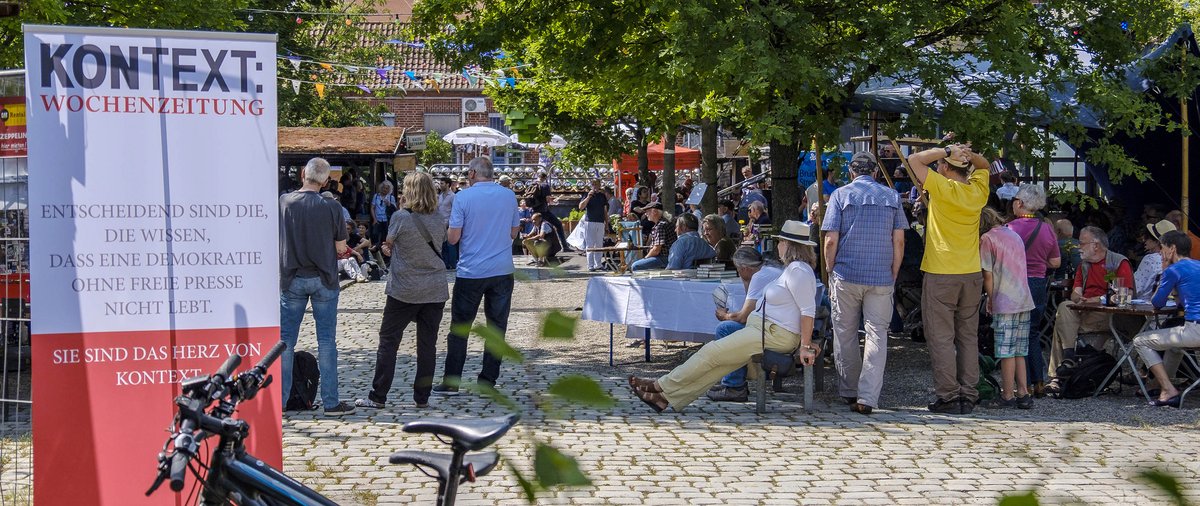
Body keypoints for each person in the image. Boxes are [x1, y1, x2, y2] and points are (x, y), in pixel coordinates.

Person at [628, 221, 820, 412]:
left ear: (789, 245)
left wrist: (804, 345)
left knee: (710, 353)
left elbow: (807, 311)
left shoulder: (798, 271)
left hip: (773, 333)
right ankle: (664, 399)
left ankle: (661, 386)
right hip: (766, 330)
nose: (778, 246)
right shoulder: (795, 270)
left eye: (780, 242)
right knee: (720, 364)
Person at [907, 143, 991, 414]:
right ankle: (969, 393)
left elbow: (913, 159)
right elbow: (985, 165)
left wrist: (946, 150)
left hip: (942, 271)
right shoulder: (978, 190)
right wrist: (968, 155)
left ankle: (948, 396)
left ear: (944, 168)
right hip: (971, 272)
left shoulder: (942, 188)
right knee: (967, 336)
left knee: (941, 337)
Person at [821, 152, 907, 415]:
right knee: (877, 334)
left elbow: (830, 239)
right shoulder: (892, 197)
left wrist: (829, 267)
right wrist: (894, 270)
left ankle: (849, 390)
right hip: (880, 275)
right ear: (876, 172)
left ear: (850, 171)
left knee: (845, 333)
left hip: (846, 274)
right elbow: (899, 240)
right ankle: (868, 396)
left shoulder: (840, 195)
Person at [357, 172, 448, 409]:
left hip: (404, 289)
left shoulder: (400, 216)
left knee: (389, 342)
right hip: (434, 289)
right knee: (427, 346)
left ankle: (378, 396)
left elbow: (389, 242)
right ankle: (422, 397)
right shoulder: (439, 218)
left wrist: (389, 249)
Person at [435, 157, 522, 394]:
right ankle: (487, 380)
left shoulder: (463, 197)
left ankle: (452, 380)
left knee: (460, 328)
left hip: (471, 271)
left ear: (473, 173)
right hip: (502, 269)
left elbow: (453, 238)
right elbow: (514, 232)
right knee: (496, 328)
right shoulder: (508, 196)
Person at [279, 157, 355, 415]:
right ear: (325, 181)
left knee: (285, 342)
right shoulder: (331, 206)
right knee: (327, 342)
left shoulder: (285, 202)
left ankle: (281, 400)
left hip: (292, 277)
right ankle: (331, 402)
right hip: (324, 279)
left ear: (303, 174)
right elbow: (341, 247)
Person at [1045, 226, 1136, 394]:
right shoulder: (1084, 266)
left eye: (1082, 243)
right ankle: (1069, 359)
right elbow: (1076, 293)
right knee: (1064, 307)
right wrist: (1078, 298)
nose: (1079, 247)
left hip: (1108, 315)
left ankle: (1058, 376)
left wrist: (1096, 300)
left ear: (1095, 245)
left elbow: (1126, 294)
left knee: (1061, 325)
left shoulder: (1118, 262)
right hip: (1084, 313)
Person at [706, 247, 784, 401]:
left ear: (745, 268)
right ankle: (730, 382)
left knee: (725, 328)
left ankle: (734, 385)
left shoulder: (759, 277)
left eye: (738, 270)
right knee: (730, 327)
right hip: (778, 324)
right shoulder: (771, 270)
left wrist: (725, 316)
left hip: (771, 329)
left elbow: (743, 317)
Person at [1132, 230, 1200, 407]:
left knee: (1140, 341)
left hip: (1195, 329)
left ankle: (1168, 389)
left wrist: (1164, 271)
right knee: (1174, 346)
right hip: (1194, 327)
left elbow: (1156, 302)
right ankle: (1159, 385)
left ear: (1172, 249)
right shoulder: (1197, 265)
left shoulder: (1173, 270)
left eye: (1162, 248)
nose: (1160, 253)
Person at [1006, 184, 1061, 397]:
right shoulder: (1046, 228)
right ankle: (1038, 381)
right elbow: (1055, 262)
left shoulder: (1011, 229)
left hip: (1015, 282)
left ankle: (1023, 384)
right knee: (1033, 333)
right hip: (1038, 283)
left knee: (1016, 333)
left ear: (1020, 203)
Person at [980, 207, 1035, 409]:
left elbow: (988, 275)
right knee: (1021, 350)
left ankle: (1007, 394)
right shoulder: (1013, 234)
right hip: (1024, 297)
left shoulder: (987, 239)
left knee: (1005, 351)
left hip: (1005, 299)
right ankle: (1023, 392)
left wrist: (990, 298)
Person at [630, 202, 676, 271]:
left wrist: (645, 258)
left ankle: (645, 282)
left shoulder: (660, 225)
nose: (645, 214)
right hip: (670, 257)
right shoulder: (663, 222)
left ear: (654, 211)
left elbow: (656, 250)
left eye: (647, 211)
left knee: (635, 266)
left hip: (665, 258)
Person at [531, 171, 570, 251]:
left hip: (534, 211)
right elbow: (548, 200)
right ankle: (564, 247)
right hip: (544, 211)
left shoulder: (532, 184)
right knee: (558, 225)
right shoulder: (545, 185)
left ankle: (535, 250)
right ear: (545, 178)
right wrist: (554, 201)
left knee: (537, 229)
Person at [1137, 220, 1176, 300]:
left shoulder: (1150, 260)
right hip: (1170, 308)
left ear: (1157, 242)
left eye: (1147, 237)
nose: (1144, 240)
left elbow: (1137, 288)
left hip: (1146, 308)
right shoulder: (1176, 260)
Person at [579, 180, 609, 272]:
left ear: (599, 185)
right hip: (590, 221)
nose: (595, 186)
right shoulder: (586, 195)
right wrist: (588, 197)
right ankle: (590, 265)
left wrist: (606, 223)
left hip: (600, 222)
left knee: (599, 244)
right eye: (593, 184)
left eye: (596, 184)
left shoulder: (602, 196)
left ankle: (598, 264)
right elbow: (581, 207)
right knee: (590, 244)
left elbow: (605, 211)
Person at [436, 177, 458, 270]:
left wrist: (449, 223)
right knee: (443, 245)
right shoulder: (440, 196)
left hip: (449, 224)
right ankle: (445, 264)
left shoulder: (452, 196)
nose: (440, 185)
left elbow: (454, 211)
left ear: (448, 184)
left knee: (450, 245)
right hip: (440, 223)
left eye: (442, 183)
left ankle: (453, 264)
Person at [370, 181, 397, 246]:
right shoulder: (376, 196)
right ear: (381, 188)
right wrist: (374, 219)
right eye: (383, 188)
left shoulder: (391, 197)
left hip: (387, 220)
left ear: (389, 190)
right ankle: (376, 250)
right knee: (375, 235)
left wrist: (389, 204)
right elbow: (372, 208)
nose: (385, 189)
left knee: (385, 236)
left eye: (387, 188)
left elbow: (395, 209)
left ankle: (384, 251)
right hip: (377, 219)